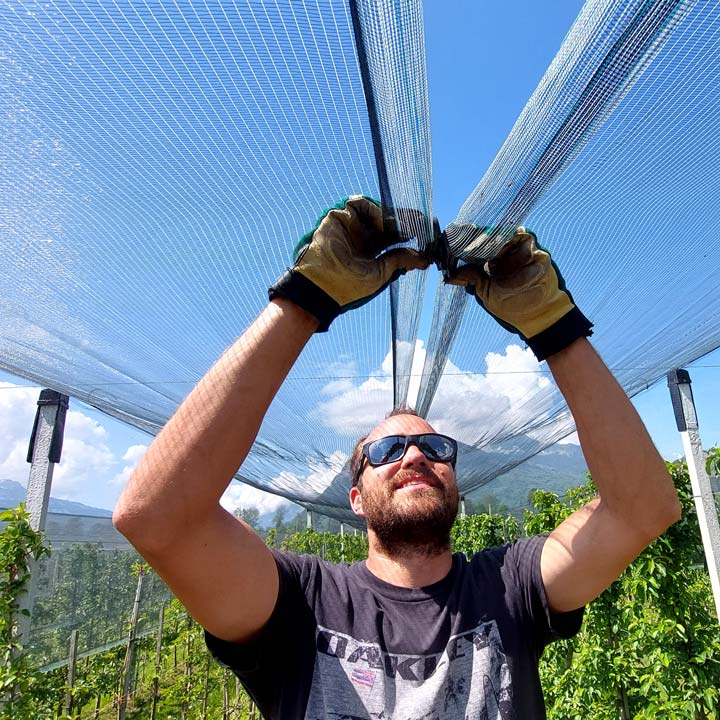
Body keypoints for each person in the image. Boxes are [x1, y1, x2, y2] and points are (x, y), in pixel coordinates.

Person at [113, 197, 681, 719]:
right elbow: (158, 518)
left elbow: (642, 510)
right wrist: (304, 301)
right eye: (386, 449)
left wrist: (555, 330)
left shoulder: (510, 586)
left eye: (436, 447)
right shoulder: (301, 602)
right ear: (355, 497)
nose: (415, 454)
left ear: (456, 480)